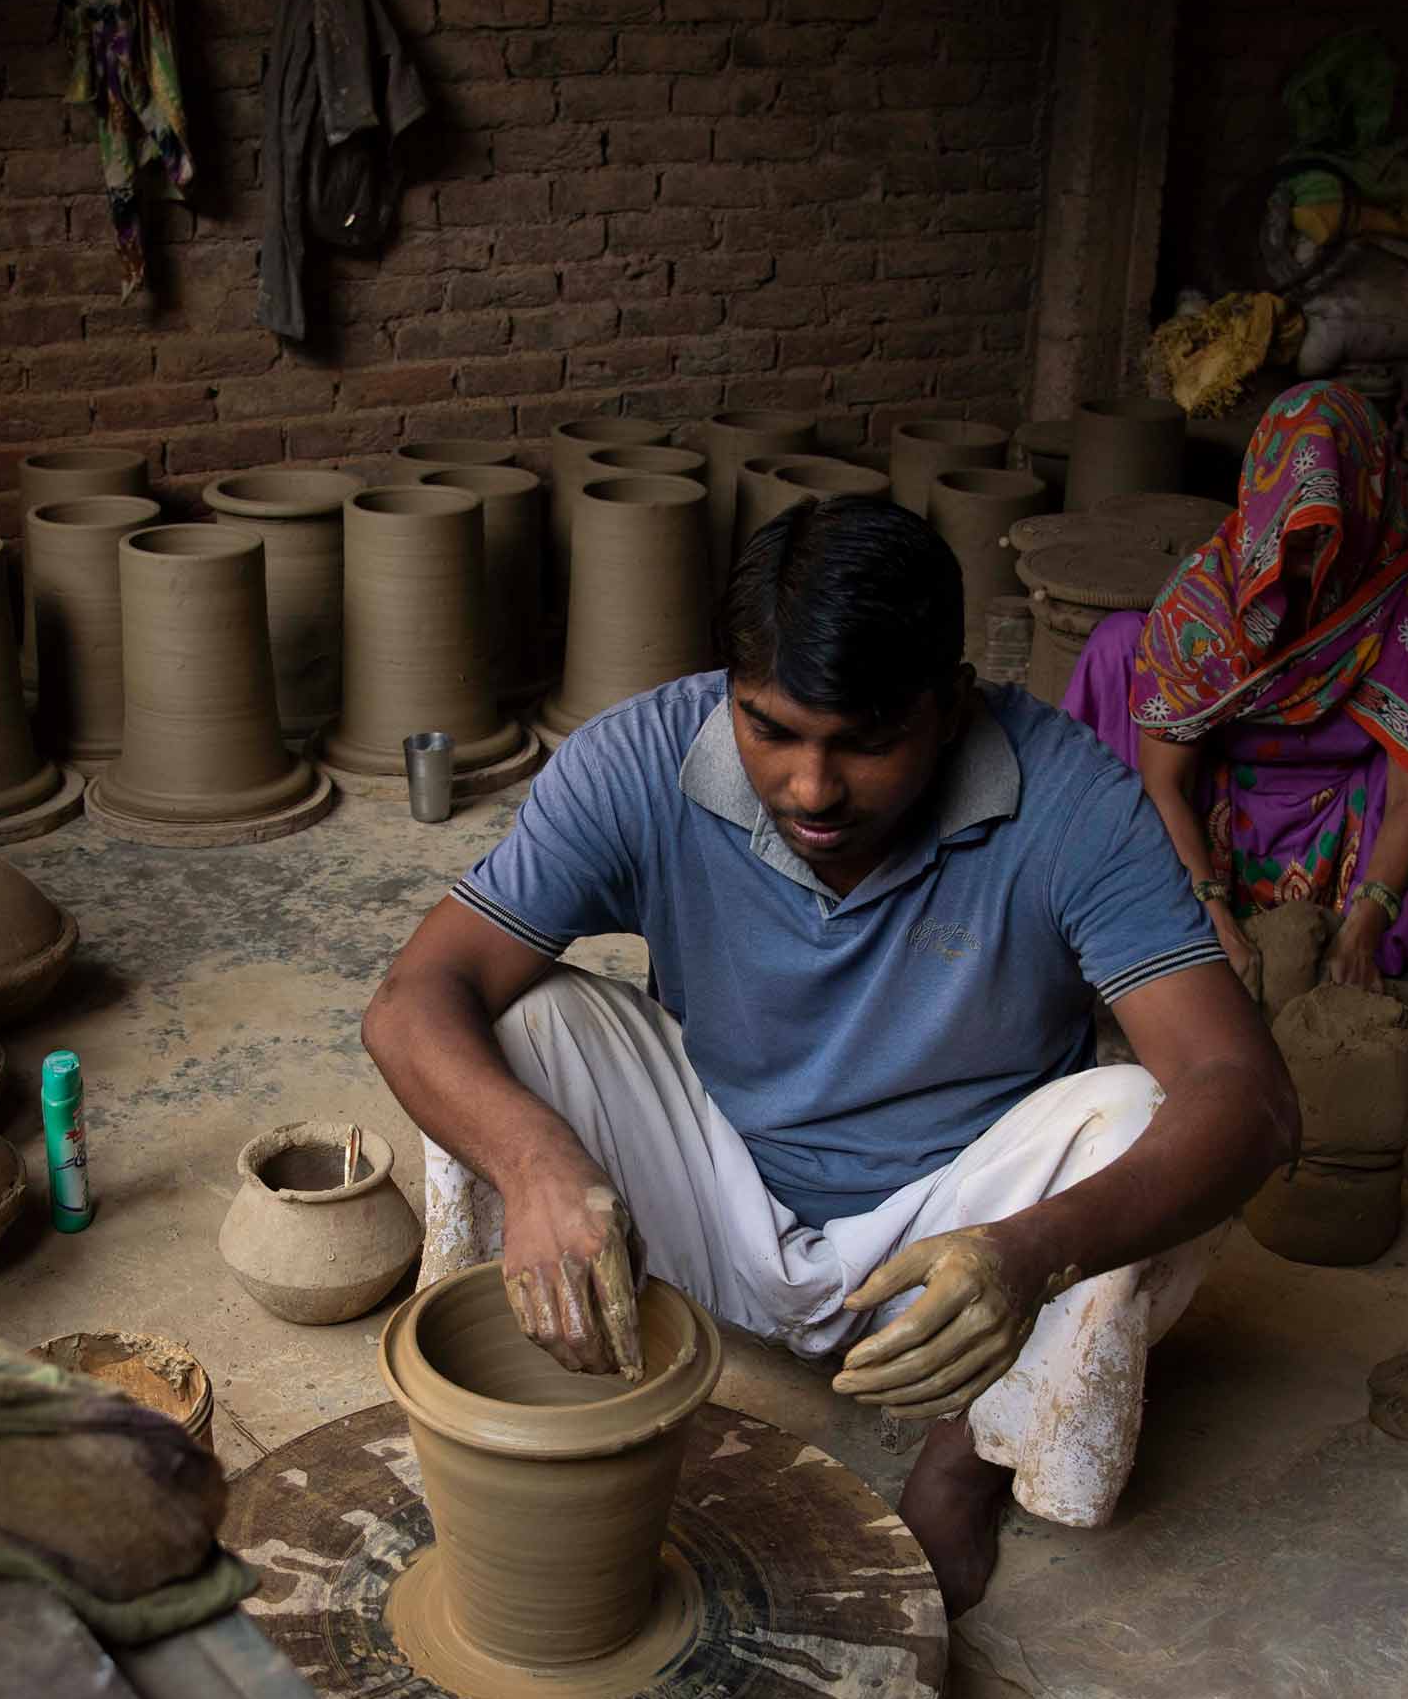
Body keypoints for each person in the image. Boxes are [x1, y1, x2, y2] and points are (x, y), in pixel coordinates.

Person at [360, 495, 1299, 1611]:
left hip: (954, 1244)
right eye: (771, 729)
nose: (811, 787)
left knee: (1151, 1118)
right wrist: (533, 1167)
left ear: (948, 708)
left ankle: (970, 1454)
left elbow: (1249, 1096)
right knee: (512, 1029)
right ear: (727, 691)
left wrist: (1031, 1253)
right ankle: (542, 1367)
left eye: (865, 741)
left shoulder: (1069, 798)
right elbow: (413, 996)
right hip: (719, 1192)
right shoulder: (638, 759)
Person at [1061, 380, 1408, 990]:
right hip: (1220, 791)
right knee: (1119, 645)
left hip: (1352, 796)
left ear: (1370, 495)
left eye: (1332, 513)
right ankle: (1133, 907)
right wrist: (1213, 920)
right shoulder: (1206, 598)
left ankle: (1406, 932)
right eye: (1296, 514)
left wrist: (1365, 927)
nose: (1311, 533)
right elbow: (1165, 783)